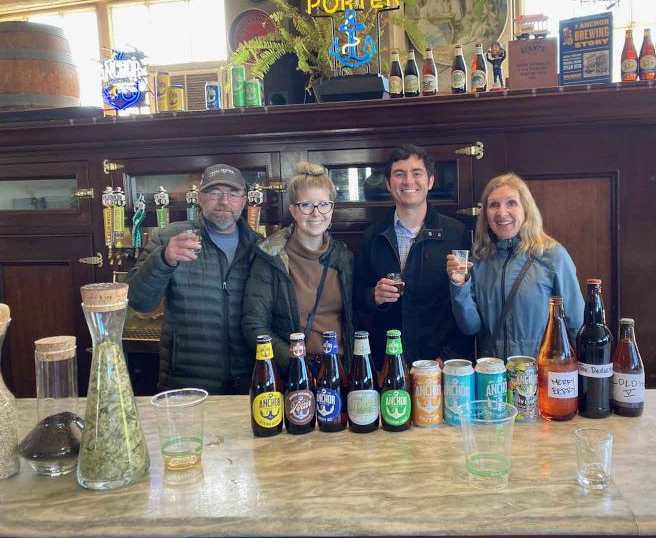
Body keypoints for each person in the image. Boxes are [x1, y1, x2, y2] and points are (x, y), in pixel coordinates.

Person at [126, 164, 261, 394]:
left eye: (233, 193)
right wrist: (163, 259)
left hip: (247, 382)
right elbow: (138, 301)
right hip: (186, 384)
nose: (224, 201)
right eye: (214, 192)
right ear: (200, 197)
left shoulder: (258, 247)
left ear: (244, 200)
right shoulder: (169, 238)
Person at [354, 144, 471, 369]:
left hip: (441, 365)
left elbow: (467, 304)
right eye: (399, 174)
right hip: (387, 364)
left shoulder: (456, 234)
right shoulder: (372, 236)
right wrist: (373, 296)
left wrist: (447, 358)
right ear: (388, 184)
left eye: (417, 173)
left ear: (430, 181)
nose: (408, 181)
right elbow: (356, 300)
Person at [447, 173, 584, 360]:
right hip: (494, 377)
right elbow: (470, 326)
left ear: (526, 209)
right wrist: (459, 285)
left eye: (511, 203)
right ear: (485, 215)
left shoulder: (552, 255)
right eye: (494, 204)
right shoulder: (479, 260)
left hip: (541, 373)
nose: (501, 213)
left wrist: (582, 381)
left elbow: (576, 321)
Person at [242, 162, 354, 379]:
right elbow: (254, 326)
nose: (316, 213)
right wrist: (295, 364)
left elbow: (355, 316)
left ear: (332, 208)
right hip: (292, 374)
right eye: (306, 205)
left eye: (323, 204)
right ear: (293, 210)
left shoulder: (344, 257)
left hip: (338, 371)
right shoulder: (269, 258)